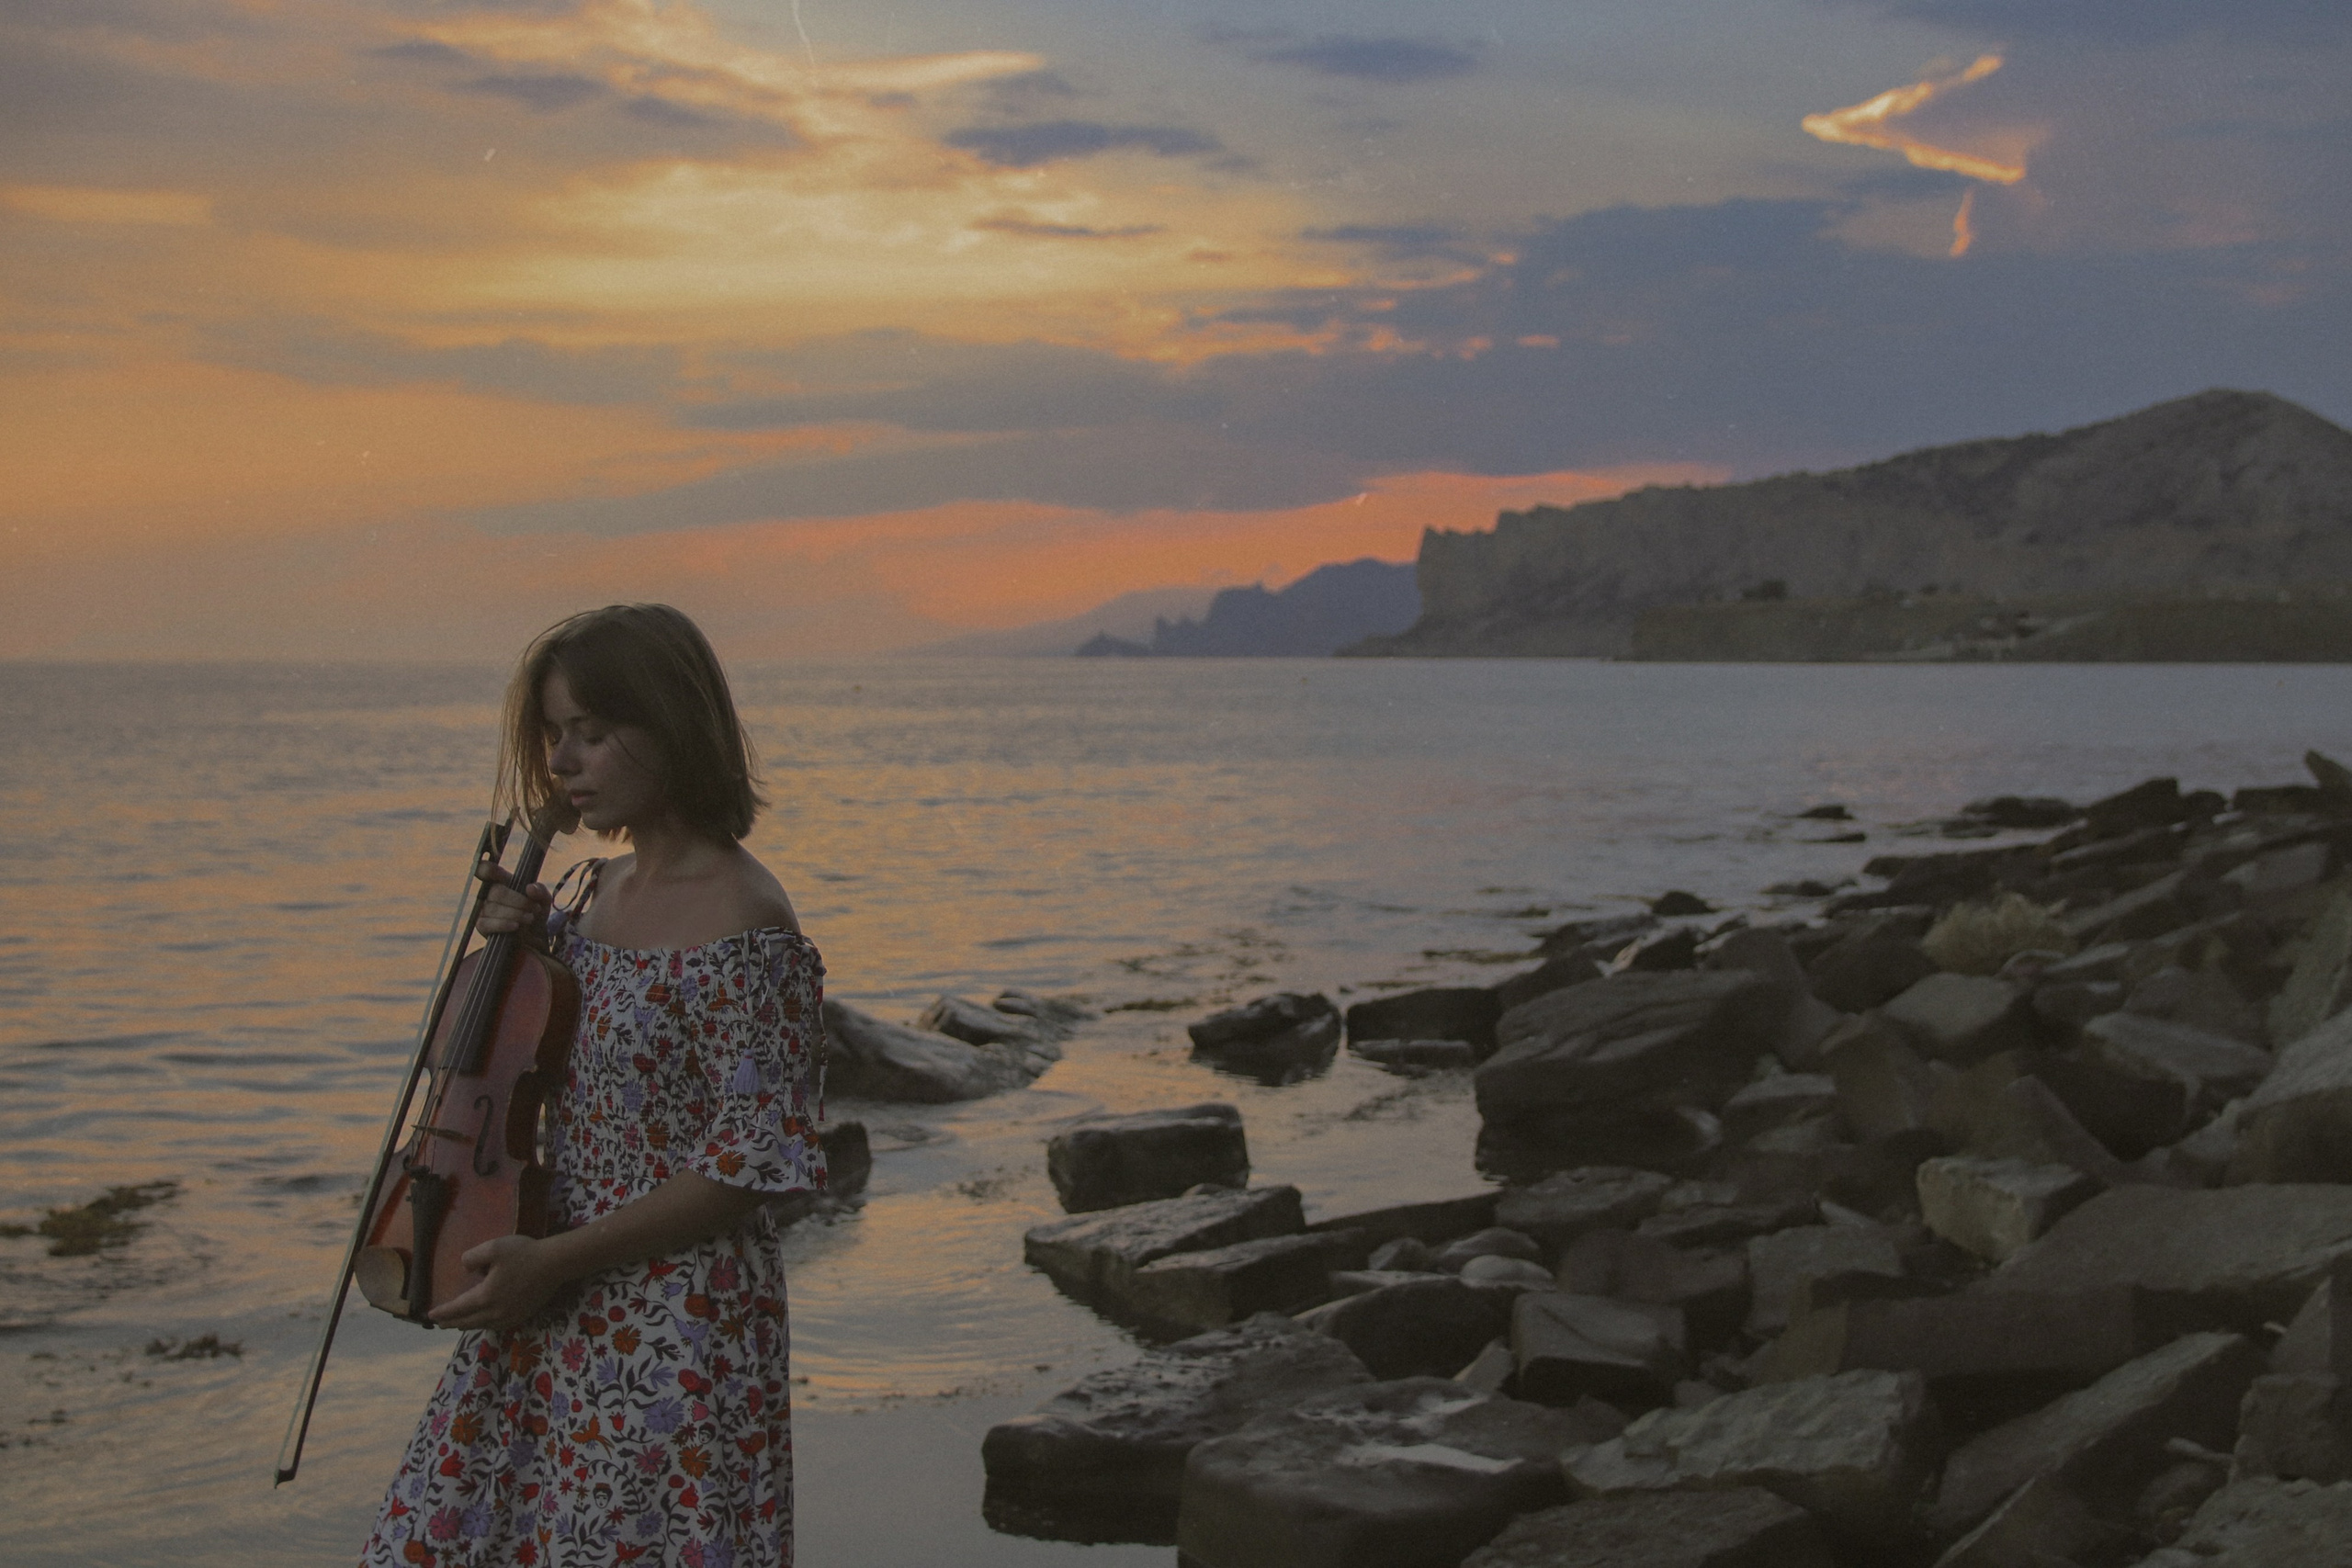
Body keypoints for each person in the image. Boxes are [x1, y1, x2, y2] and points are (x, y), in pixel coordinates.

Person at [360, 604, 827, 1568]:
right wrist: (516, 944)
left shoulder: (750, 920)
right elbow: (524, 1063)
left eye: (591, 734)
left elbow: (748, 1165)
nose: (560, 764)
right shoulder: (589, 892)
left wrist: (561, 1261)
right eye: (552, 736)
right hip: (549, 1286)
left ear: (671, 727)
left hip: (674, 1322)